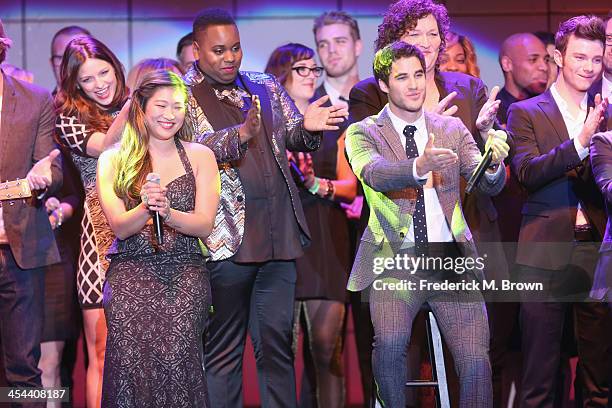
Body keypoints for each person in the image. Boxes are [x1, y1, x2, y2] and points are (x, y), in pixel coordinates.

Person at [183, 8, 347, 407]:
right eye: (219, 50)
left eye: (235, 48)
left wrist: (307, 128)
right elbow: (193, 146)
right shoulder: (180, 93)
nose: (229, 58)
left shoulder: (262, 83)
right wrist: (239, 134)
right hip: (226, 241)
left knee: (277, 350)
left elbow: (290, 132)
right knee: (224, 353)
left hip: (277, 235)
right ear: (197, 51)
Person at [345, 41, 509, 408]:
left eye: (419, 74)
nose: (415, 84)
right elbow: (374, 173)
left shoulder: (450, 128)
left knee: (476, 358)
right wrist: (418, 167)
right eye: (402, 77)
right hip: (394, 265)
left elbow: (488, 184)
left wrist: (492, 157)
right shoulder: (364, 132)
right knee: (388, 346)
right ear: (384, 85)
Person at [97, 69, 220, 408]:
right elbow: (120, 227)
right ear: (141, 106)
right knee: (130, 373)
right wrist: (146, 206)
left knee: (181, 366)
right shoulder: (112, 159)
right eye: (162, 106)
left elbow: (204, 224)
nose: (170, 115)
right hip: (130, 278)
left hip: (183, 276)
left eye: (178, 106)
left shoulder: (200, 155)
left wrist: (167, 213)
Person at [508, 15, 611, 407]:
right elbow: (527, 173)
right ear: (558, 56)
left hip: (597, 253)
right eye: (580, 57)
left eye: (596, 59)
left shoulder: (607, 112)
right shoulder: (526, 111)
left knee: (597, 375)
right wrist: (580, 142)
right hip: (543, 253)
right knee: (541, 374)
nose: (588, 67)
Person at [265, 42, 357, 408]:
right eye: (301, 69)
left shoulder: (337, 122)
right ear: (280, 77)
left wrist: (314, 183)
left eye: (313, 70)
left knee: (325, 348)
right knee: (281, 355)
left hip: (326, 239)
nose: (311, 77)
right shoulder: (266, 127)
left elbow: (350, 189)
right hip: (281, 243)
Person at [54, 35, 129, 408]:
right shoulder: (70, 118)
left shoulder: (140, 106)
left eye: (104, 72)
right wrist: (136, 108)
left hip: (147, 232)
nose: (100, 83)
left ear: (116, 67)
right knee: (101, 350)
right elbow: (107, 147)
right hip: (98, 241)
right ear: (75, 84)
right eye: (88, 79)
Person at [0, 18, 63, 400]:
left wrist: (46, 176)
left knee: (25, 371)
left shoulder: (35, 98)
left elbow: (51, 166)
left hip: (19, 248)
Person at [496, 33, 549, 127]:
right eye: (533, 59)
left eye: (546, 60)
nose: (544, 67)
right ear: (507, 64)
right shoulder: (494, 114)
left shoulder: (551, 108)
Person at [50, 25, 91, 90]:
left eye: (77, 56)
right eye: (61, 58)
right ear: (52, 64)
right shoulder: (42, 100)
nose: (68, 64)